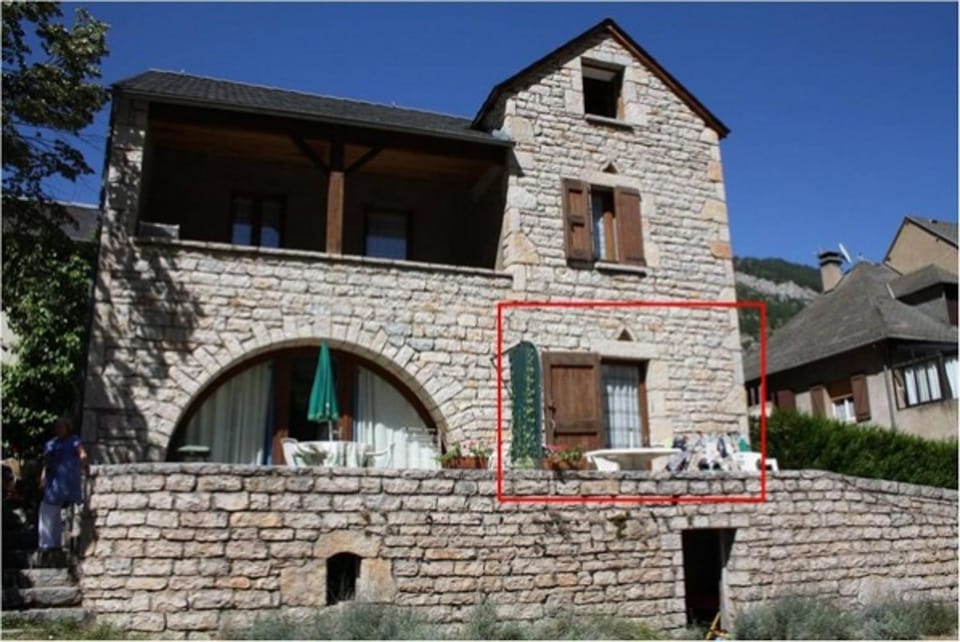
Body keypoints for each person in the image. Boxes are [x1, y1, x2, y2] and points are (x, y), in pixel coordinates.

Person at [38, 417, 88, 552]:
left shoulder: (73, 440)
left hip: (66, 482)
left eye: (61, 427)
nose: (58, 429)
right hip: (54, 482)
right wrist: (43, 478)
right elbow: (47, 463)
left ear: (67, 428)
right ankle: (52, 544)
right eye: (57, 427)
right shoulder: (51, 444)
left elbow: (82, 454)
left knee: (50, 510)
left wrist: (84, 467)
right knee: (50, 511)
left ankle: (48, 543)